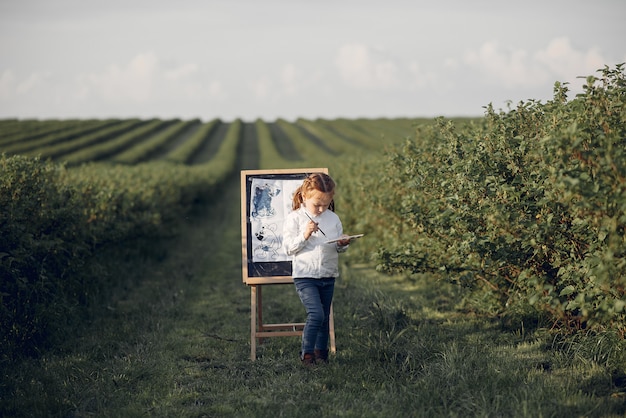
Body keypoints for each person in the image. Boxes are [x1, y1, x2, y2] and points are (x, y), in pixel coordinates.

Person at [282, 173, 351, 365]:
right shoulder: (294, 218)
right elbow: (288, 248)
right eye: (317, 204)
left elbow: (337, 247)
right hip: (306, 276)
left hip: (328, 274)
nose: (321, 209)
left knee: (325, 317)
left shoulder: (333, 218)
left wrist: (343, 243)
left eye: (326, 204)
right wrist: (304, 235)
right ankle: (307, 354)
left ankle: (322, 353)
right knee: (316, 314)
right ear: (305, 196)